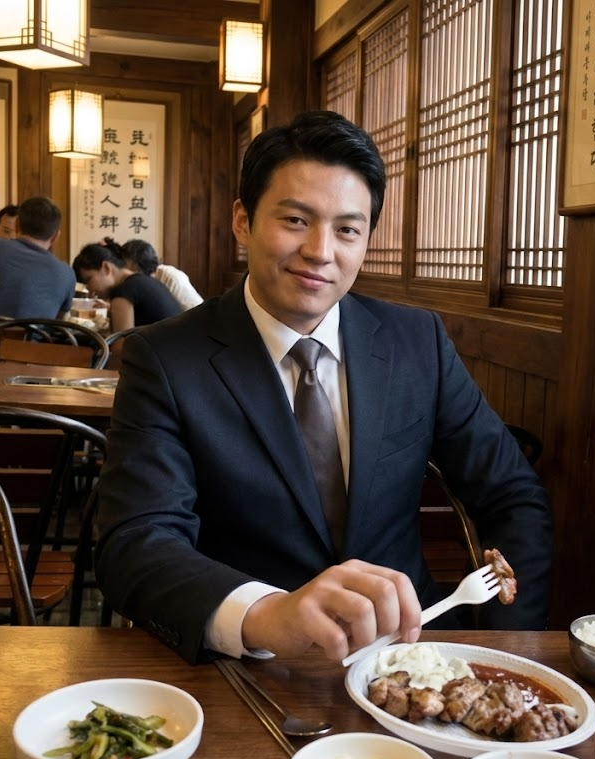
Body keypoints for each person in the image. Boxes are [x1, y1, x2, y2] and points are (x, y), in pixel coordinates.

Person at [94, 111, 552, 665]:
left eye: (347, 230)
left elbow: (511, 494)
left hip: (411, 657)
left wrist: (505, 647)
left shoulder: (417, 343)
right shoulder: (165, 358)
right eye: (295, 220)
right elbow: (136, 541)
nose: (321, 250)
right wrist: (264, 614)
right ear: (242, 220)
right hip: (252, 667)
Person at [72, 239, 181, 332]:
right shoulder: (144, 281)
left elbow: (120, 346)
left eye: (89, 280)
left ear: (106, 268)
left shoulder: (123, 292)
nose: (89, 288)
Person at [121, 238, 204, 311]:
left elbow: (198, 313)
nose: (125, 274)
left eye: (131, 271)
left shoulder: (172, 277)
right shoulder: (125, 283)